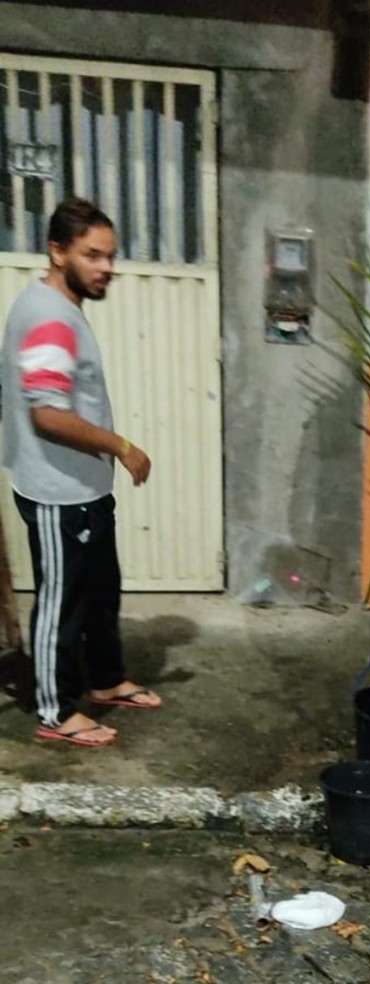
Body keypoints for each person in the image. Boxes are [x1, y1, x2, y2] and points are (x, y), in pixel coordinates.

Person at [0, 198, 160, 747]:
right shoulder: (49, 317)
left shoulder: (57, 306)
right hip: (58, 490)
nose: (106, 267)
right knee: (62, 603)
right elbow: (47, 416)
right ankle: (55, 711)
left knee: (98, 591)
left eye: (110, 256)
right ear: (57, 251)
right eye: (92, 255)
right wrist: (123, 447)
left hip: (83, 486)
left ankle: (107, 679)